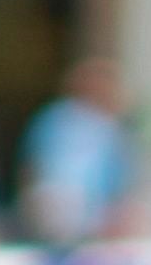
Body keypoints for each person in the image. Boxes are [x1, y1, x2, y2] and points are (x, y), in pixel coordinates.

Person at [18, 57, 135, 244]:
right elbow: (33, 165)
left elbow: (119, 176)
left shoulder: (111, 128)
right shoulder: (56, 119)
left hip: (96, 207)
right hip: (59, 203)